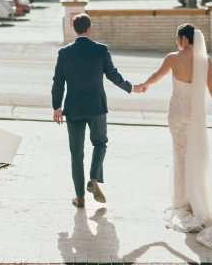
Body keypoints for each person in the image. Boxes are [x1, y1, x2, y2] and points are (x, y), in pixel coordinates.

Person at [139, 23, 212, 250]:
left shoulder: (173, 58)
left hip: (177, 114)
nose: (176, 42)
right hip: (195, 116)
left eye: (177, 38)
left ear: (183, 39)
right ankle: (195, 199)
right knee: (196, 157)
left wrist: (144, 85)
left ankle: (183, 203)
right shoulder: (206, 60)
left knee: (180, 156)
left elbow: (156, 76)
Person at [52, 13, 145, 208]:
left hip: (73, 108)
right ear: (89, 28)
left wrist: (56, 107)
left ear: (74, 29)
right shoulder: (101, 50)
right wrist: (131, 88)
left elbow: (58, 82)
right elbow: (113, 75)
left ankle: (80, 198)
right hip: (96, 107)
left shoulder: (64, 53)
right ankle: (93, 179)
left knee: (76, 154)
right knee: (100, 143)